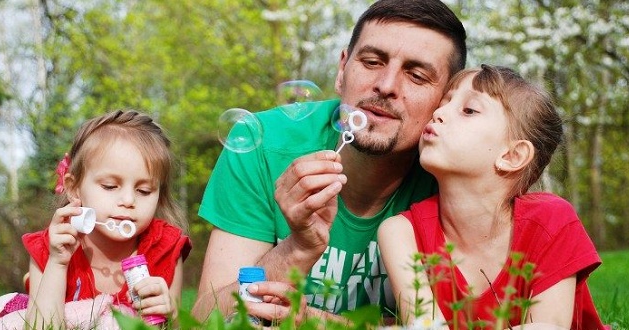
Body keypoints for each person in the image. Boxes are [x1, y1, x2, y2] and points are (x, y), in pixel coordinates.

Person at [192, 0, 467, 323]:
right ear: (342, 70)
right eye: (372, 61)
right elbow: (203, 319)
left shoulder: (456, 175)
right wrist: (298, 248)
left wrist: (318, 323)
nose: (387, 85)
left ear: (446, 101)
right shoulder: (263, 143)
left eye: (417, 75)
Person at [378, 65, 607, 329]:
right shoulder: (400, 232)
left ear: (512, 156)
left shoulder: (551, 221)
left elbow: (547, 326)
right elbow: (425, 325)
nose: (438, 113)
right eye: (444, 103)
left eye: (469, 110)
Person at [23, 110, 192, 328]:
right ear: (74, 188)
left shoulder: (165, 249)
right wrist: (57, 263)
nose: (129, 200)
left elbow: (176, 327)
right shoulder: (51, 247)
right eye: (110, 186)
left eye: (144, 190)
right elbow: (40, 326)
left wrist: (171, 313)